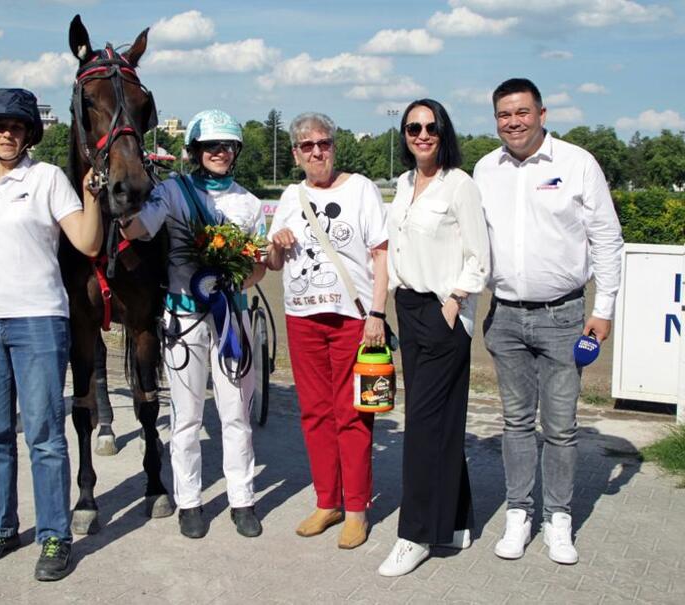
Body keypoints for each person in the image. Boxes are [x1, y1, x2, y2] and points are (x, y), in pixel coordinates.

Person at [474, 78, 623, 565]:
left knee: (560, 427)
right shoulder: (485, 169)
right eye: (503, 115)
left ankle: (558, 517)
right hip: (506, 317)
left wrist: (604, 310)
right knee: (516, 423)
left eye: (521, 112)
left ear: (542, 113)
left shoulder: (577, 163)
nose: (513, 122)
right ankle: (519, 511)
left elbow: (607, 238)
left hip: (564, 316)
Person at [0, 88, 102, 581]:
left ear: (29, 133)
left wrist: (90, 193)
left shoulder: (46, 179)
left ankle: (55, 536)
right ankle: (1, 527)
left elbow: (85, 240)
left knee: (43, 434)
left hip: (38, 320)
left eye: (16, 126)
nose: (7, 133)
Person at [121, 109, 266, 539]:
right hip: (183, 315)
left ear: (236, 151)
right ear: (196, 151)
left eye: (227, 147)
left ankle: (242, 499)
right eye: (211, 147)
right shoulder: (172, 192)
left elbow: (257, 271)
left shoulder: (249, 203)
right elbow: (137, 230)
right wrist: (117, 202)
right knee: (186, 416)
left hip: (231, 318)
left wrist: (234, 275)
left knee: (235, 414)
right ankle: (189, 501)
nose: (220, 153)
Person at [377, 99, 490, 576]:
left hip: (444, 311)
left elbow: (480, 255)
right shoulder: (404, 184)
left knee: (422, 425)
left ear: (443, 131)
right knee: (439, 421)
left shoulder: (459, 185)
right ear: (404, 135)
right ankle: (457, 521)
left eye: (430, 126)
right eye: (412, 127)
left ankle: (416, 533)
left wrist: (456, 297)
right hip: (409, 307)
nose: (421, 134)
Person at [267, 112, 388, 550]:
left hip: (351, 319)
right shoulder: (289, 195)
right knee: (315, 413)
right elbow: (275, 264)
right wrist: (274, 245)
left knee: (353, 413)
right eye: (307, 146)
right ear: (297, 153)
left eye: (324, 143)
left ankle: (356, 509)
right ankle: (327, 501)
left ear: (334, 146)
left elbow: (381, 255)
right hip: (302, 317)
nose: (317, 151)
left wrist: (377, 312)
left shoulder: (361, 190)